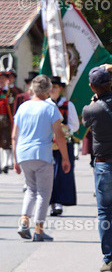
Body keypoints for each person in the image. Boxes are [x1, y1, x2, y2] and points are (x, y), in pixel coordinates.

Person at [12, 75, 70, 242]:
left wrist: (15, 158)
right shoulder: (50, 108)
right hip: (42, 153)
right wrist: (65, 158)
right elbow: (59, 136)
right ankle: (39, 229)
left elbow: (14, 135)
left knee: (31, 189)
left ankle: (24, 221)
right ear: (48, 90)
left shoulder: (23, 106)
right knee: (44, 192)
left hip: (24, 153)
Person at [81, 66, 112, 272]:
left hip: (104, 164)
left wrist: (94, 100)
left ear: (92, 87)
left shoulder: (91, 110)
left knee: (105, 212)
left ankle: (109, 259)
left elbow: (85, 124)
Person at [49, 76, 79, 216]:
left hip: (64, 144)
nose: (52, 89)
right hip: (48, 145)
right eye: (50, 87)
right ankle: (49, 202)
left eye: (55, 87)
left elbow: (74, 125)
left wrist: (66, 129)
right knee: (49, 174)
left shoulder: (68, 105)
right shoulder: (45, 104)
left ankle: (59, 202)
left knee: (62, 174)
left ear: (61, 89)